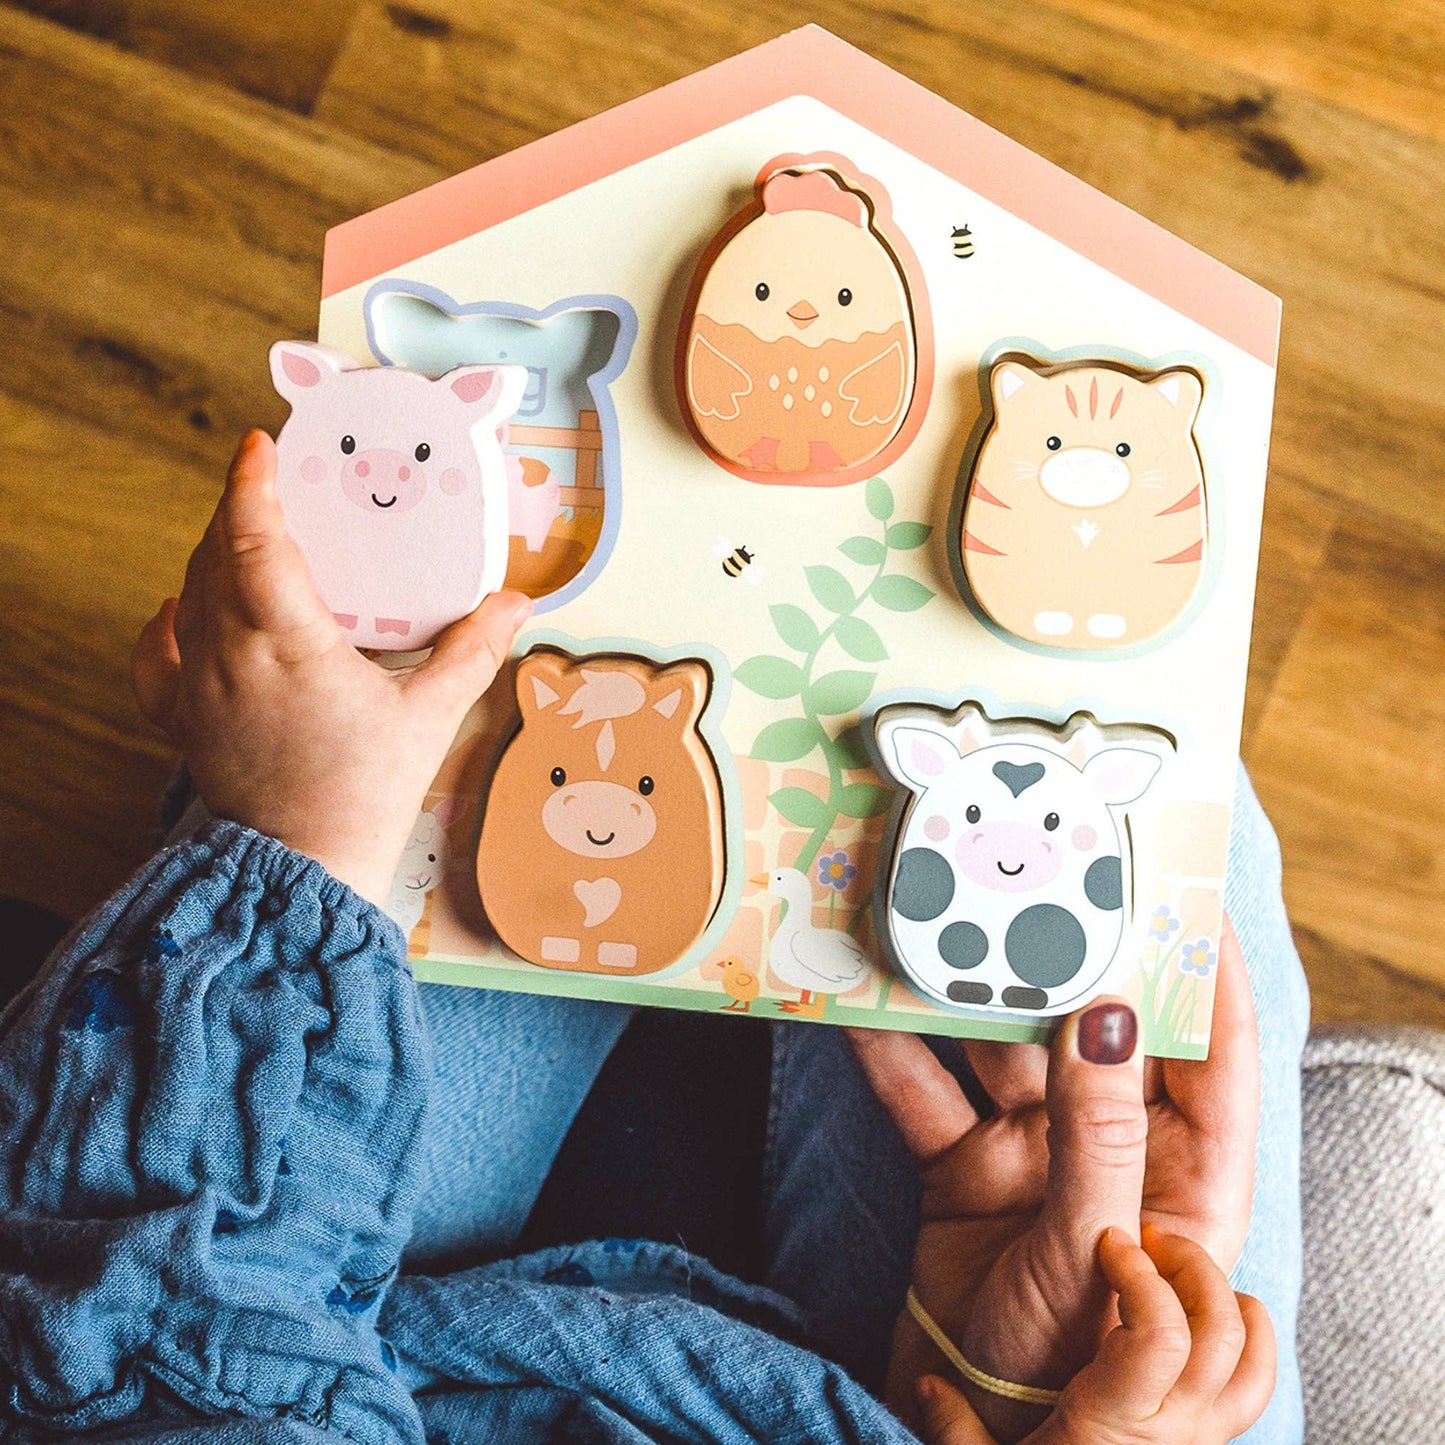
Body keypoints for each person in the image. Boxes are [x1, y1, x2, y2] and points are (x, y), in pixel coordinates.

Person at [0, 432, 1308, 1444]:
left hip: (360, 1353)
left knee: (394, 749)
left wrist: (288, 847)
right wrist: (1009, 1390)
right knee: (1180, 816)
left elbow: (144, 1360)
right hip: (866, 1404)